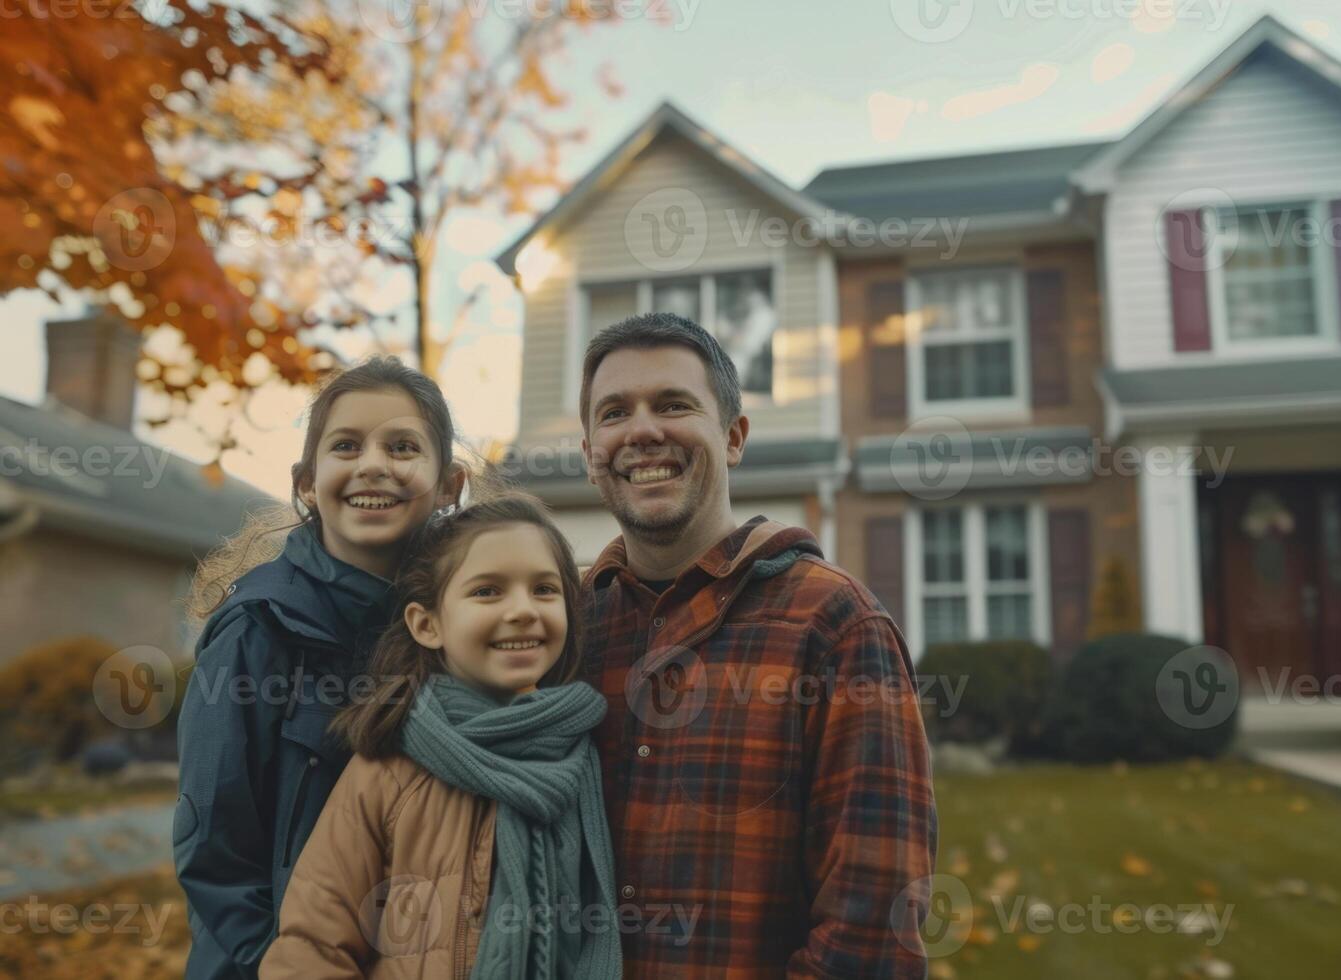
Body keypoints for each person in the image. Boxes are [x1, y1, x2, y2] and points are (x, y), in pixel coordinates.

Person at [577, 313, 937, 976]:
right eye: (615, 412)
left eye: (674, 404)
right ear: (589, 451)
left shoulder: (834, 625)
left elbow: (872, 927)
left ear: (734, 436)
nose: (643, 430)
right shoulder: (563, 627)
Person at [174, 356, 470, 979]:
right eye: (345, 445)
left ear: (449, 485)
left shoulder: (460, 636)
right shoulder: (257, 630)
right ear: (307, 481)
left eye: (402, 446)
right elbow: (215, 854)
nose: (373, 464)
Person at [260, 493, 621, 979]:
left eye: (544, 590)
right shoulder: (387, 771)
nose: (522, 610)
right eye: (487, 592)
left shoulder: (581, 756)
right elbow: (312, 945)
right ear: (427, 625)